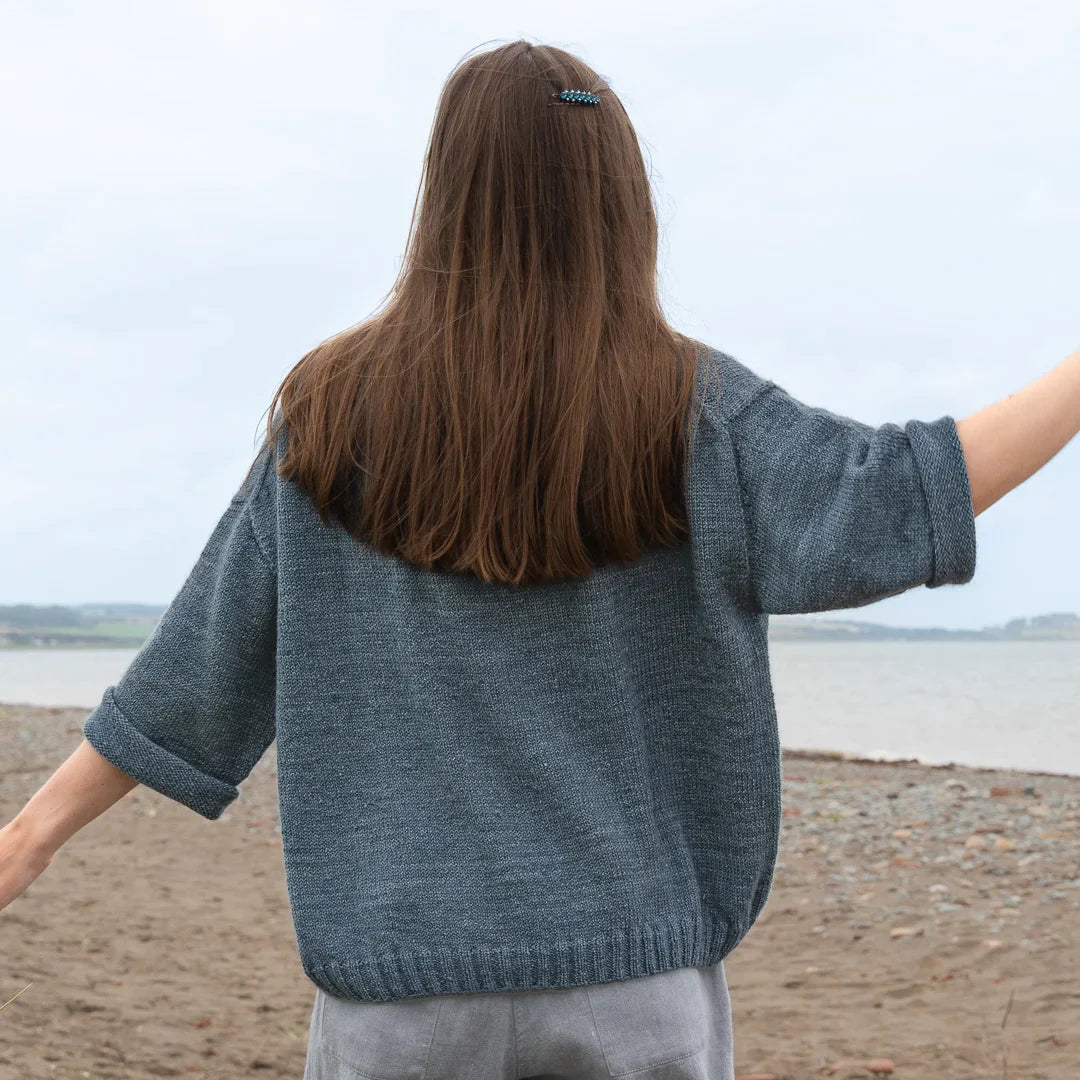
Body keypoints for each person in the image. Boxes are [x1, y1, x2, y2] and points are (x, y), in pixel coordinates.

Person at [1, 38, 1078, 1080]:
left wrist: (34, 832)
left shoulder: (330, 412)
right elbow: (909, 487)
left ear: (445, 196)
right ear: (620, 203)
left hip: (399, 1010)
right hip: (636, 992)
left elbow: (194, 669)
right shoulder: (695, 409)